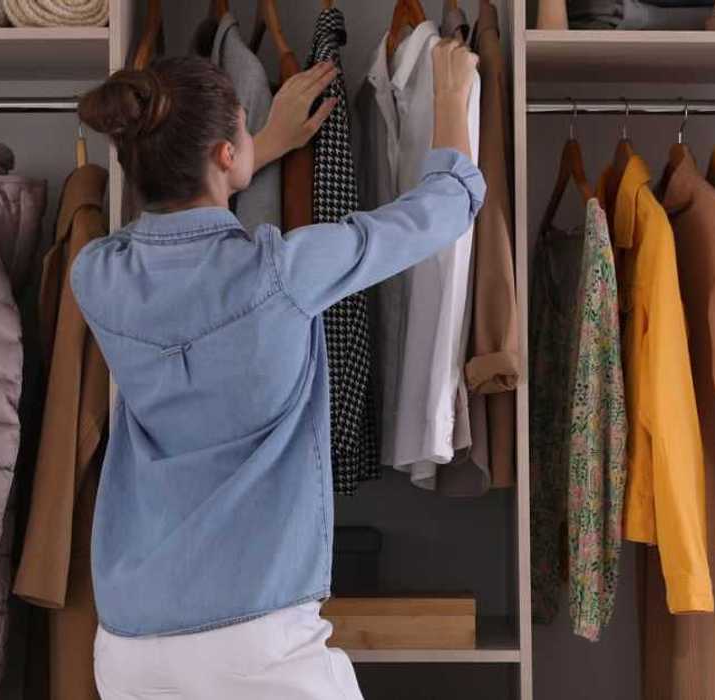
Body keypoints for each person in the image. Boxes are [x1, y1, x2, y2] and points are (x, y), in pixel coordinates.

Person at [73, 38, 484, 700]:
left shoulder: (96, 276)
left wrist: (250, 151)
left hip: (127, 644)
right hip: (252, 643)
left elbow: (162, 231)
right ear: (224, 154)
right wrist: (449, 96)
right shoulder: (284, 273)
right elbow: (444, 205)